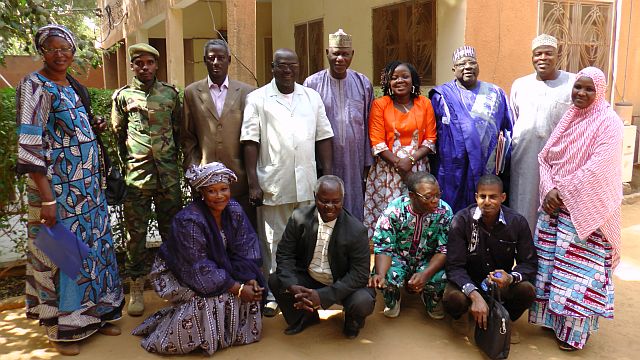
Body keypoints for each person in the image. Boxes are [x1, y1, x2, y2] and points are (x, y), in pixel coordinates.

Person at [15, 24, 124, 356]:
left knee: (94, 253)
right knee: (62, 256)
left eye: (66, 48)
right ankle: (61, 330)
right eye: (52, 49)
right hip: (58, 192)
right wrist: (47, 198)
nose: (60, 54)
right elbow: (30, 146)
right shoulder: (34, 86)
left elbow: (70, 129)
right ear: (42, 52)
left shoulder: (72, 85)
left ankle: (96, 315)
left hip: (88, 192)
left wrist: (93, 127)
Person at [528, 67, 623, 351]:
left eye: (588, 89)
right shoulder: (569, 118)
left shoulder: (610, 123)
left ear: (600, 92)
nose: (580, 93)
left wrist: (563, 191)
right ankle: (552, 322)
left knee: (578, 275)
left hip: (586, 211)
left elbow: (597, 168)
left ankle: (574, 333)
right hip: (555, 208)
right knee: (551, 267)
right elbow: (545, 157)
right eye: (577, 87)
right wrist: (548, 190)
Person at [132, 162, 265, 355]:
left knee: (250, 293)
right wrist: (237, 288)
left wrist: (249, 278)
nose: (220, 196)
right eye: (212, 191)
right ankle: (185, 336)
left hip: (218, 269)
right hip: (182, 274)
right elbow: (198, 268)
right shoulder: (189, 221)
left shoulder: (234, 209)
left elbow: (246, 247)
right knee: (210, 301)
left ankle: (225, 332)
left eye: (224, 189)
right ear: (202, 193)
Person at [241, 48, 334, 317]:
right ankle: (274, 293)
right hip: (273, 182)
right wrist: (253, 183)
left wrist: (326, 175)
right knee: (273, 240)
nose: (287, 70)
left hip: (307, 183)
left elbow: (323, 137)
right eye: (281, 65)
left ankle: (302, 291)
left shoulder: (311, 97)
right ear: (272, 67)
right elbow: (250, 141)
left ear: (298, 67)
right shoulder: (257, 99)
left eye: (292, 65)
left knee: (307, 240)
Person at [111, 43, 183, 317]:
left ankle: (174, 281)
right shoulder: (123, 96)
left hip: (167, 178)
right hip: (137, 178)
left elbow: (177, 132)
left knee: (171, 233)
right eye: (139, 63)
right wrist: (129, 165)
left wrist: (172, 167)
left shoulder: (170, 94)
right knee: (136, 236)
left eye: (150, 63)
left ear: (156, 65)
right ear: (132, 66)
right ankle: (137, 286)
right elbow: (119, 136)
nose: (145, 67)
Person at [268, 176, 375, 338]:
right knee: (277, 280)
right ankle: (305, 317)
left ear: (342, 199)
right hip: (310, 277)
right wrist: (291, 285)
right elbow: (285, 254)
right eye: (324, 201)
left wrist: (323, 296)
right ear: (315, 196)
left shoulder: (356, 230)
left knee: (362, 302)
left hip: (341, 281)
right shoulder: (299, 217)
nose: (330, 207)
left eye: (336, 201)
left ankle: (352, 319)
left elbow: (359, 275)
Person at [444, 174, 537, 344]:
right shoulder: (462, 220)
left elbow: (528, 264)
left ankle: (506, 319)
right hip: (467, 281)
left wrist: (510, 277)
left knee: (527, 290)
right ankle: (461, 316)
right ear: (476, 197)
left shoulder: (517, 222)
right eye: (482, 196)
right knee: (453, 299)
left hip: (498, 284)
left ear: (503, 197)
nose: (487, 201)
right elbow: (454, 267)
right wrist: (474, 295)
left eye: (493, 197)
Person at [429, 46, 513, 214]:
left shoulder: (496, 93)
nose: (468, 67)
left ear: (478, 66)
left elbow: (508, 130)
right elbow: (433, 132)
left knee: (485, 213)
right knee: (452, 213)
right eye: (462, 64)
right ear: (454, 69)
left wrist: (503, 163)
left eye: (472, 62)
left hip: (486, 167)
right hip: (453, 169)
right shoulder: (441, 95)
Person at [182, 39, 257, 227]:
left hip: (239, 178)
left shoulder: (247, 92)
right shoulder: (191, 93)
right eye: (211, 58)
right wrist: (193, 169)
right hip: (205, 179)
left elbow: (254, 137)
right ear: (204, 60)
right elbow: (187, 136)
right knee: (209, 232)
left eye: (221, 58)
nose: (216, 62)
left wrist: (253, 177)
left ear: (229, 60)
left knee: (241, 231)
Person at [303, 28, 374, 222]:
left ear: (352, 55)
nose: (340, 59)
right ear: (327, 53)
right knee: (324, 206)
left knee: (353, 207)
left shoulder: (363, 83)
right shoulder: (312, 84)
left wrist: (367, 165)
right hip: (324, 161)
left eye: (345, 54)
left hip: (355, 161)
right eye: (336, 53)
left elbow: (369, 124)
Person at [363, 61, 437, 239]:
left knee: (417, 208)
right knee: (388, 213)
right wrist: (399, 164)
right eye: (394, 78)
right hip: (387, 171)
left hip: (417, 167)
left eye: (405, 76)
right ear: (388, 82)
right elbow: (377, 141)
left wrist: (410, 161)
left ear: (413, 80)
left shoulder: (424, 103)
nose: (399, 81)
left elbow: (431, 139)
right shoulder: (380, 104)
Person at [509, 34, 575, 234]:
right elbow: (514, 118)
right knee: (523, 208)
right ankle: (524, 259)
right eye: (538, 54)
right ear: (532, 57)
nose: (543, 58)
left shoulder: (572, 83)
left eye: (548, 53)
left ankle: (548, 260)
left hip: (559, 163)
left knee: (554, 211)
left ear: (558, 55)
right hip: (524, 161)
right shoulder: (520, 85)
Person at [369, 172, 452, 319]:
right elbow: (383, 247)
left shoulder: (444, 211)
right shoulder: (394, 211)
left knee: (444, 275)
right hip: (398, 258)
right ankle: (393, 297)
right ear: (412, 196)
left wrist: (425, 275)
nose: (435, 200)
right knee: (384, 274)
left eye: (438, 195)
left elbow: (444, 249)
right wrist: (381, 275)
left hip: (427, 260)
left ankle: (430, 298)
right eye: (428, 197)